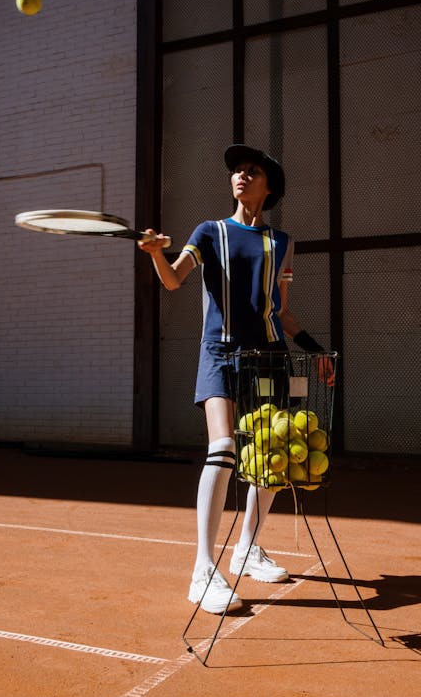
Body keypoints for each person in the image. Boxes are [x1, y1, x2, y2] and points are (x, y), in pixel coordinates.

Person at [138, 144, 333, 614]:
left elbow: (280, 312)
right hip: (220, 354)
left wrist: (315, 350)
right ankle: (203, 570)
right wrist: (155, 255)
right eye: (237, 172)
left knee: (271, 456)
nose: (241, 177)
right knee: (223, 448)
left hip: (269, 356)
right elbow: (173, 280)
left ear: (269, 187)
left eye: (251, 172)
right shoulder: (209, 232)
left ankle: (247, 548)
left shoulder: (281, 242)